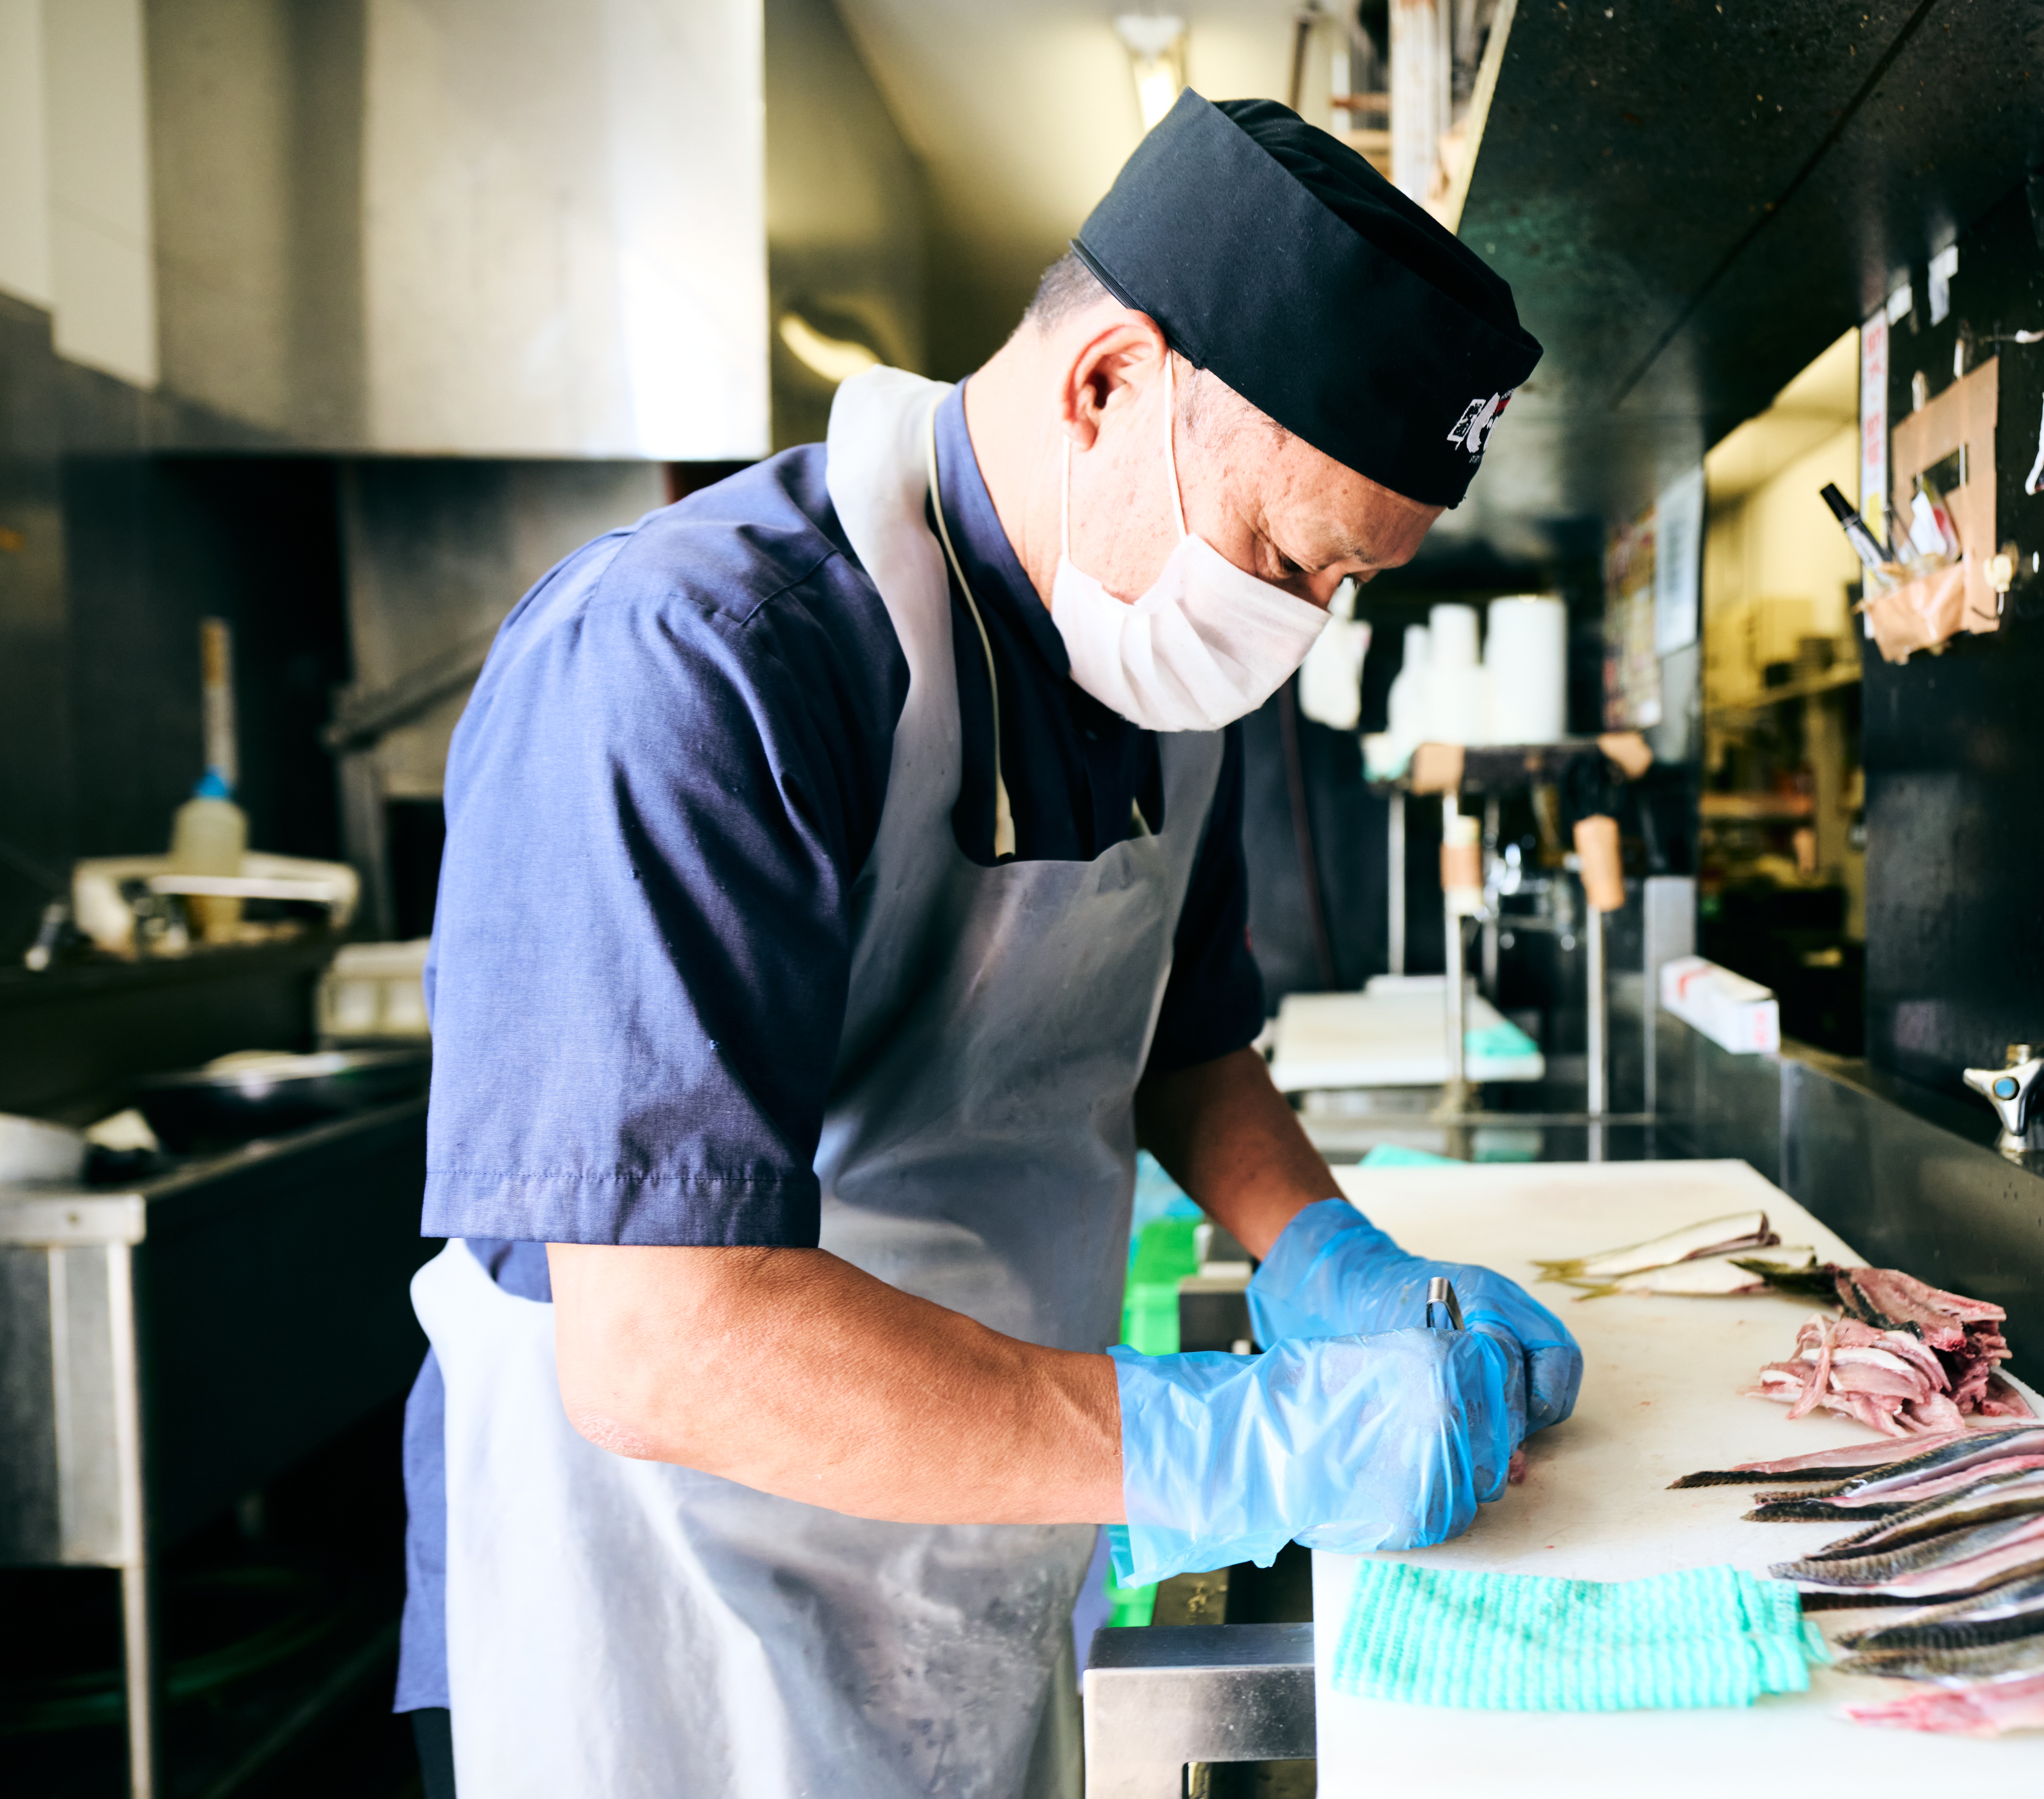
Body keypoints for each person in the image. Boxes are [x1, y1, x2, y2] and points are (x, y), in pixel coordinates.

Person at [392, 92, 1574, 1798]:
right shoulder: (692, 661)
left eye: (1342, 586)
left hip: (983, 1520)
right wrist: (1235, 1443)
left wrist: (1332, 1257)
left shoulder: (1163, 665)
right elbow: (665, 1343)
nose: (1299, 626)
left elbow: (1184, 1044)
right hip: (665, 1590)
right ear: (1107, 386)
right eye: (1285, 557)